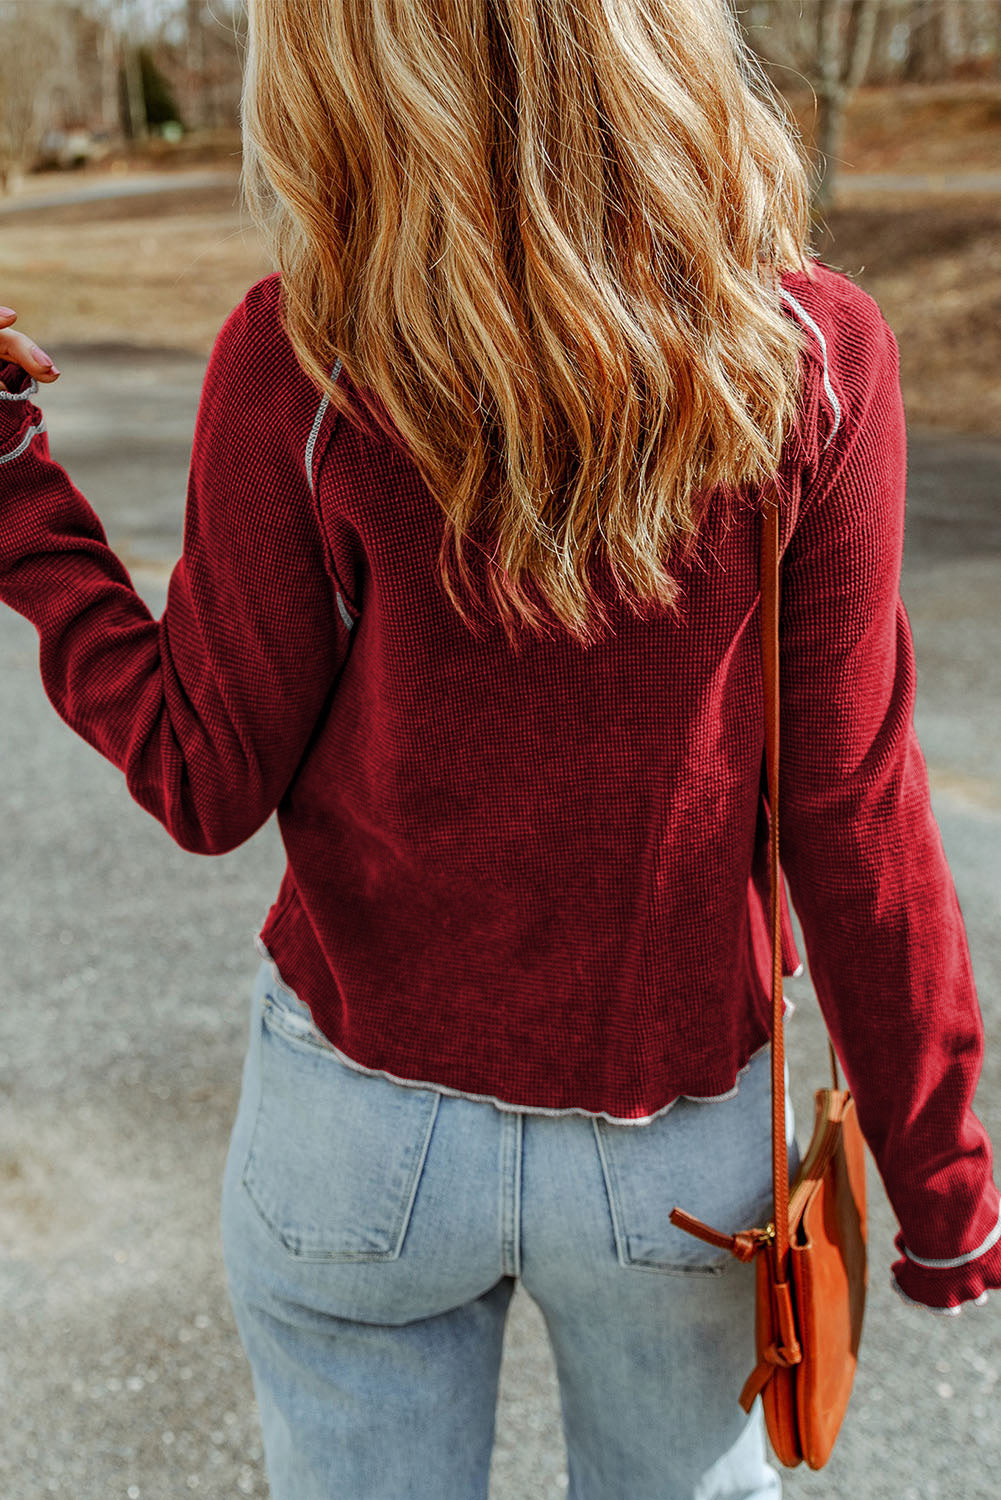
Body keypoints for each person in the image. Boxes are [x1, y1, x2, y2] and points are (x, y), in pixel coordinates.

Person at [2, 0, 998, 1495]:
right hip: (677, 1159)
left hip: (357, 1131)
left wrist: (18, 486)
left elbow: (204, 778)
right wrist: (941, 1192)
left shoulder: (301, 364)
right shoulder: (806, 356)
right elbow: (850, 815)